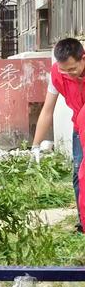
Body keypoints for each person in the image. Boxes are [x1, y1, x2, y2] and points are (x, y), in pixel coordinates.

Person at [32, 37, 85, 233]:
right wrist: (35, 145)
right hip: (80, 127)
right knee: (79, 174)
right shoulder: (57, 74)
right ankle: (83, 223)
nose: (68, 74)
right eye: (64, 70)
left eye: (72, 69)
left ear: (82, 58)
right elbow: (48, 109)